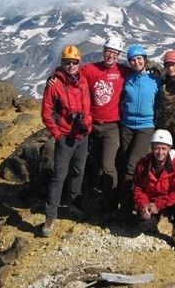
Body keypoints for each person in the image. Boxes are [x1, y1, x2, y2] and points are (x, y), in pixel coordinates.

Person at [41, 45, 93, 237]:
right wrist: (57, 133)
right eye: (67, 62)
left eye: (74, 62)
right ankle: (50, 216)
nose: (71, 65)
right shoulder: (54, 84)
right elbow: (46, 112)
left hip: (83, 135)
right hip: (65, 137)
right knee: (59, 176)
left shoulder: (85, 78)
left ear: (80, 62)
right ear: (61, 63)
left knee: (78, 172)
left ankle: (74, 206)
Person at [80, 35, 130, 216]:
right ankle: (95, 200)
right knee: (93, 164)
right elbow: (72, 73)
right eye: (108, 52)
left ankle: (111, 206)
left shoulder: (123, 72)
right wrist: (56, 77)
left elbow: (141, 73)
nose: (111, 56)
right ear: (103, 52)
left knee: (108, 165)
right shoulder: (91, 69)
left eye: (114, 53)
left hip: (111, 127)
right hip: (92, 126)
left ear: (118, 55)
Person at [117, 44, 162, 214]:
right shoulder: (126, 78)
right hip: (126, 125)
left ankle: (127, 208)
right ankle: (130, 201)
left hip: (146, 126)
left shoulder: (155, 80)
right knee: (123, 162)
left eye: (139, 59)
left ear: (145, 60)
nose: (136, 62)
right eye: (132, 60)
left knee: (132, 165)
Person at [132, 129, 175, 255]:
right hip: (150, 202)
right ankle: (155, 223)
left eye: (164, 149)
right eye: (157, 148)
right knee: (144, 225)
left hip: (169, 202)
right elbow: (138, 188)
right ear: (152, 148)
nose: (160, 152)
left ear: (169, 148)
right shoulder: (142, 165)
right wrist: (143, 206)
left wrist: (159, 205)